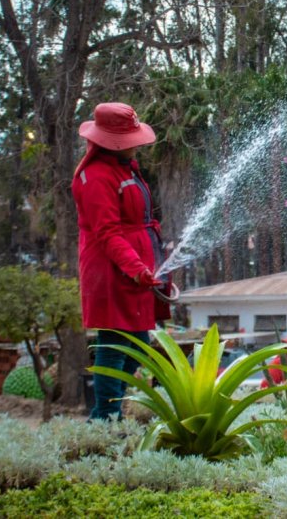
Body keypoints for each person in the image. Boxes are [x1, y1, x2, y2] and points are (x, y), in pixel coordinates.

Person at [72, 102, 171, 420]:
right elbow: (108, 233)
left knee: (138, 342)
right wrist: (136, 267)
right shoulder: (95, 177)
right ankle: (104, 418)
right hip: (113, 271)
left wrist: (148, 265)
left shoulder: (124, 168)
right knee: (114, 343)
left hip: (136, 269)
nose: (136, 144)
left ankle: (108, 413)